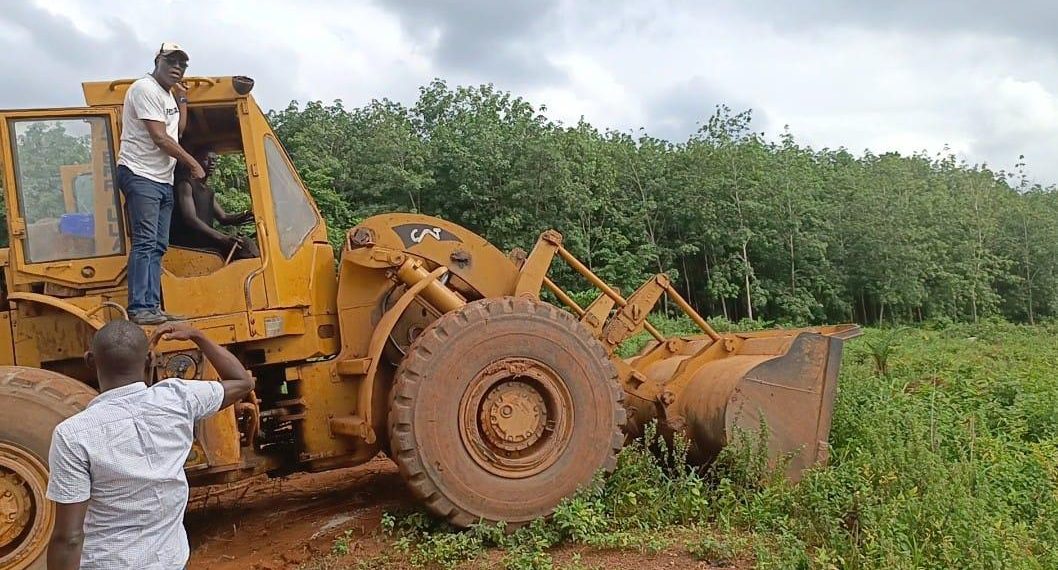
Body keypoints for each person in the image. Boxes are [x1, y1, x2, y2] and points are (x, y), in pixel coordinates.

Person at [45, 320, 254, 570]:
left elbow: (68, 538)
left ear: (90, 360)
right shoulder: (178, 399)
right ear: (149, 360)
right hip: (169, 563)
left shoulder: (73, 435)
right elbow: (242, 382)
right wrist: (198, 336)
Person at [118, 42, 205, 325]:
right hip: (140, 174)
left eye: (182, 64)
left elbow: (176, 131)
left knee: (158, 244)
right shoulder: (145, 89)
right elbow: (159, 137)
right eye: (172, 62)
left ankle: (152, 306)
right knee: (144, 242)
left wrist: (183, 100)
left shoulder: (167, 96)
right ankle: (140, 307)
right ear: (158, 60)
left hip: (161, 178)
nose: (177, 68)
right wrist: (192, 162)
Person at [170, 148, 259, 260]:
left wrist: (246, 215)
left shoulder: (208, 191)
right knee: (244, 246)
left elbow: (224, 217)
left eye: (214, 160)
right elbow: (190, 218)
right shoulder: (186, 184)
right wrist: (222, 237)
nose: (212, 163)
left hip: (206, 240)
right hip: (189, 242)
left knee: (245, 243)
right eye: (206, 159)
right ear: (195, 161)